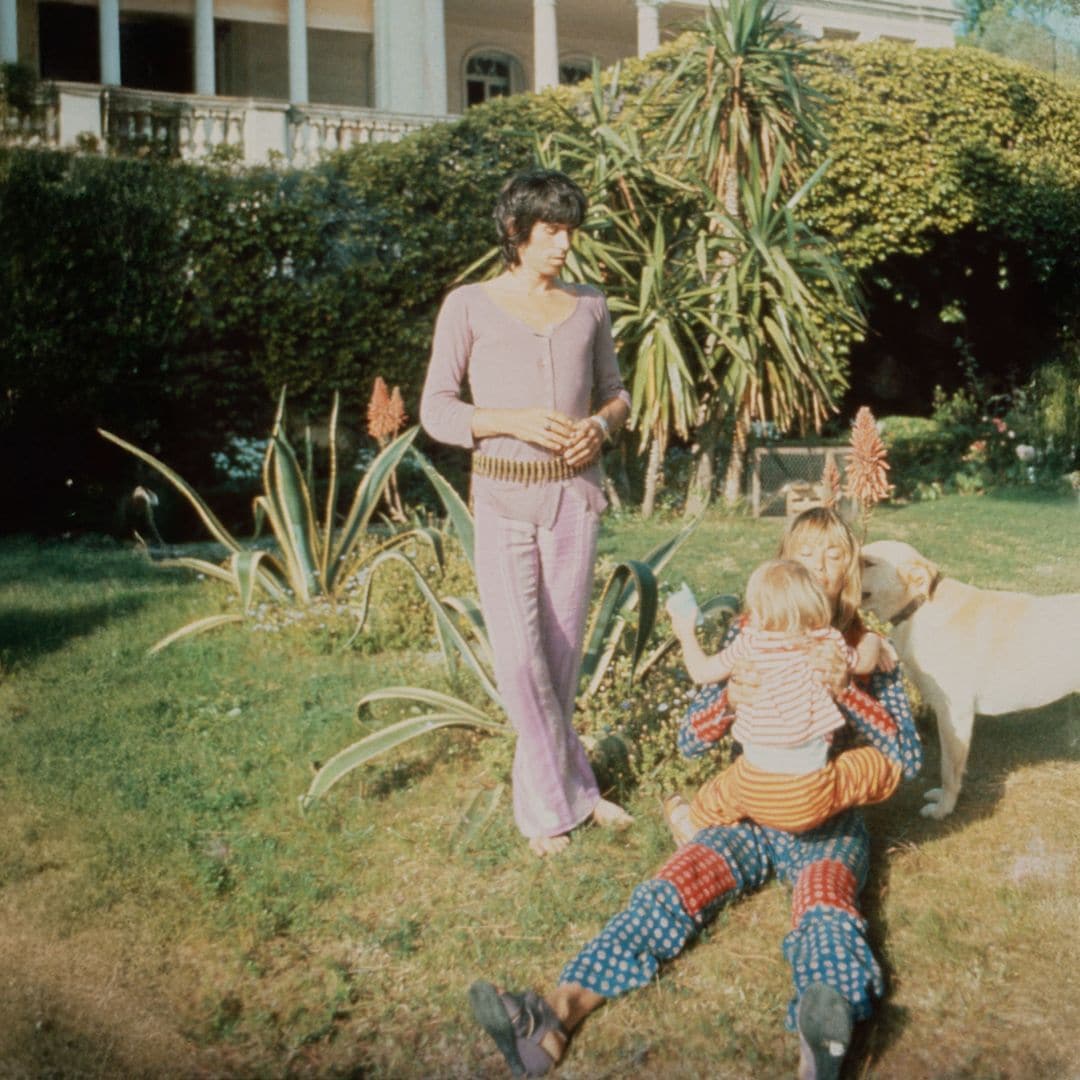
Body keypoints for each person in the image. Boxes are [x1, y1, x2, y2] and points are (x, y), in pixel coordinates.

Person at [468, 508, 922, 1079]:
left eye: (835, 555)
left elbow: (906, 757)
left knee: (825, 903)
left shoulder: (863, 647)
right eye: (807, 553)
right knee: (673, 887)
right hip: (748, 810)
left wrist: (848, 691)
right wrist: (728, 701)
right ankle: (553, 1017)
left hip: (827, 818)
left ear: (850, 568)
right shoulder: (751, 633)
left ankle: (823, 1037)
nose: (820, 568)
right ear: (783, 561)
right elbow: (690, 738)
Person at [419, 168, 634, 858]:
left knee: (562, 660)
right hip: (504, 500)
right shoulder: (469, 305)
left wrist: (599, 427)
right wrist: (509, 420)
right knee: (519, 662)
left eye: (570, 232)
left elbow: (617, 395)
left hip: (574, 500)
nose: (564, 245)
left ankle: (563, 797)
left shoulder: (590, 305)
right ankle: (563, 802)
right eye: (551, 231)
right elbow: (436, 410)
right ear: (516, 232)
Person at [663, 558, 901, 841]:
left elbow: (701, 672)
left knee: (722, 790)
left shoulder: (749, 643)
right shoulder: (826, 642)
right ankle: (847, 814)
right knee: (873, 764)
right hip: (813, 794)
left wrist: (686, 635)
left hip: (752, 787)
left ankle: (692, 823)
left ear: (759, 610)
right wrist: (873, 638)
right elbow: (864, 663)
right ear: (814, 603)